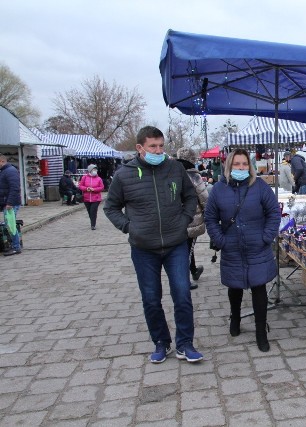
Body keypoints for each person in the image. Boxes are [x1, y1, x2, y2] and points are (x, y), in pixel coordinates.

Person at [104, 126, 202, 364]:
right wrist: (130, 227)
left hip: (175, 243)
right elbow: (111, 207)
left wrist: (184, 220)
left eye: (161, 146)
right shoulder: (124, 175)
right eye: (153, 147)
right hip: (143, 247)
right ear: (140, 148)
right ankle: (161, 342)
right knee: (150, 297)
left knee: (182, 294)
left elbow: (190, 197)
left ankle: (185, 343)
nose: (159, 151)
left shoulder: (175, 168)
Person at [205, 148, 280, 352]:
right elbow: (210, 218)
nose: (241, 167)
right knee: (235, 286)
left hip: (257, 246)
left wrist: (266, 236)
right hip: (232, 246)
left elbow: (274, 212)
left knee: (259, 288)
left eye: (244, 164)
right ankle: (235, 318)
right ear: (229, 166)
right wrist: (220, 240)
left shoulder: (259, 186)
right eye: (237, 164)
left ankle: (260, 331)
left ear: (250, 166)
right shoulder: (219, 190)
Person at [176, 148, 209, 290]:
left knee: (184, 248)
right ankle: (185, 279)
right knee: (188, 248)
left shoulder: (171, 172)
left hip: (174, 218)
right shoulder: (193, 176)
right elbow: (204, 197)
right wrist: (209, 215)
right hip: (191, 219)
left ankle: (194, 270)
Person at [0, 154, 22, 256]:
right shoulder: (5, 171)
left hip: (10, 203)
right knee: (9, 224)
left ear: (1, 161)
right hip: (7, 202)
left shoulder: (10, 171)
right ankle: (14, 245)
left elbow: (15, 188)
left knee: (10, 224)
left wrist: (10, 202)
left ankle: (16, 247)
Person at [77, 164, 104, 230]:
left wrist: (94, 189)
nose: (95, 171)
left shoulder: (99, 178)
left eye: (95, 169)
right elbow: (80, 186)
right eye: (93, 169)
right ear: (90, 170)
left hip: (96, 198)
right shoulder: (84, 177)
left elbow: (102, 187)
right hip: (86, 198)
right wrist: (86, 189)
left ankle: (93, 225)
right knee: (89, 212)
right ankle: (92, 221)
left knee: (93, 211)